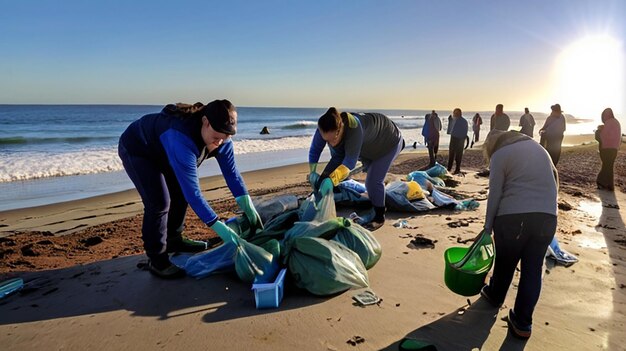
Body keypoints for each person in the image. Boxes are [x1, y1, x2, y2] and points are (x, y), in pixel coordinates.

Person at [118, 100, 263, 279]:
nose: (220, 142)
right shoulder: (181, 138)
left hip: (165, 150)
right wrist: (221, 228)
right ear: (205, 122)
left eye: (226, 136)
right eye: (217, 136)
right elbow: (194, 193)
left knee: (179, 194)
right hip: (139, 148)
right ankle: (157, 260)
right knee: (159, 203)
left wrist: (249, 208)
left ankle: (173, 239)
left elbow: (232, 175)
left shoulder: (222, 137)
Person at [480, 129, 558, 339]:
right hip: (547, 218)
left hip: (513, 218)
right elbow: (555, 182)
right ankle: (522, 323)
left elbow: (495, 192)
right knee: (533, 269)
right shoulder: (540, 149)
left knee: (505, 261)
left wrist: (487, 227)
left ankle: (495, 295)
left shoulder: (500, 154)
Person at [308, 107, 403, 230]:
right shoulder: (325, 127)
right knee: (324, 179)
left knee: (373, 182)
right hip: (367, 145)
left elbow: (349, 163)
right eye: (327, 140)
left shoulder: (354, 129)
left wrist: (332, 181)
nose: (330, 143)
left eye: (333, 140)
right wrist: (313, 173)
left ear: (340, 130)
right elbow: (315, 151)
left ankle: (379, 217)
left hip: (388, 141)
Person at [595, 108, 621, 190]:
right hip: (614, 148)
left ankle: (601, 182)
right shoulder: (616, 122)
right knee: (609, 166)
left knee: (606, 166)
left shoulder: (609, 123)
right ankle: (609, 185)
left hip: (606, 148)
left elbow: (603, 136)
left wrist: (598, 131)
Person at [447, 108, 468, 174]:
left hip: (460, 139)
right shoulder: (454, 119)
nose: (454, 114)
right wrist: (449, 120)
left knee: (458, 155)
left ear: (459, 113)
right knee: (451, 154)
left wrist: (462, 138)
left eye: (455, 113)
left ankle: (457, 168)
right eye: (454, 113)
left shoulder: (463, 121)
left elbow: (465, 131)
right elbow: (450, 130)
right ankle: (449, 168)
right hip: (453, 138)